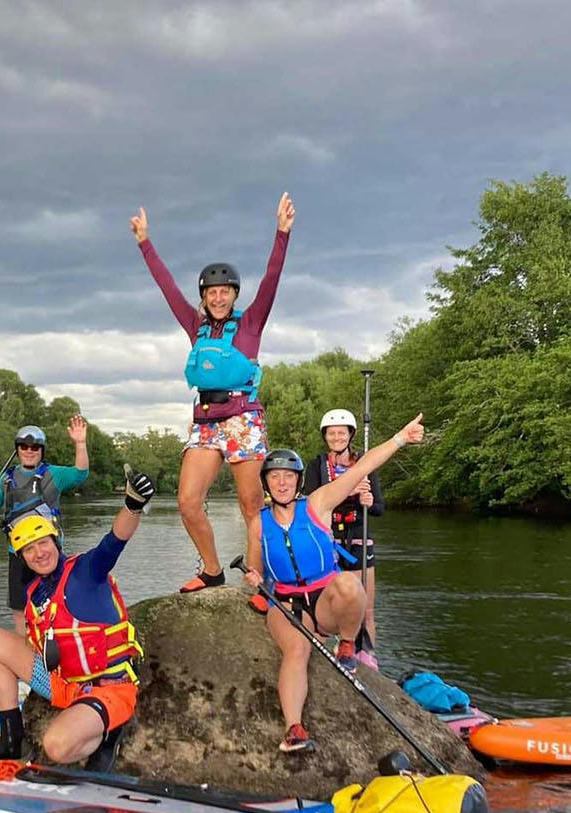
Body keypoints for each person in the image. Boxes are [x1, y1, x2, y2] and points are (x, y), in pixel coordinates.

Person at [131, 193, 294, 594]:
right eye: (211, 292)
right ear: (203, 297)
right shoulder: (195, 325)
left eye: (225, 291)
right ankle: (212, 570)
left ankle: (258, 578)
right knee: (187, 501)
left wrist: (282, 234)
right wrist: (145, 243)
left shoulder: (251, 322)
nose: (218, 298)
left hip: (243, 419)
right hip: (206, 420)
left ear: (235, 294)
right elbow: (167, 288)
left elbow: (272, 279)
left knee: (251, 504)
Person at [243, 414, 425, 752]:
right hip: (287, 602)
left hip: (325, 598)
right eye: (274, 477)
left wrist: (400, 439)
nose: (281, 483)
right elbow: (255, 568)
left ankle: (347, 643)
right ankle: (293, 730)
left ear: (298, 481)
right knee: (297, 650)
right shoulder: (258, 523)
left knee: (351, 585)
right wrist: (253, 577)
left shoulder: (317, 504)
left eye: (288, 476)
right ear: (266, 483)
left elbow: (362, 467)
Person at [0, 467, 157, 769]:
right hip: (64, 684)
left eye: (43, 543)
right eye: (28, 550)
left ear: (56, 541)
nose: (39, 553)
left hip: (108, 688)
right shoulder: (34, 592)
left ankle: (109, 732)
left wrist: (133, 505)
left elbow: (114, 541)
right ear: (22, 558)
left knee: (56, 746)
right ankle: (11, 737)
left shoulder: (87, 571)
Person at [0, 417, 90, 633]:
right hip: (18, 553)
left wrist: (80, 443)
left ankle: (55, 643)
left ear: (41, 450)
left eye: (35, 447)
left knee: (54, 602)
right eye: (24, 446)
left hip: (47, 551)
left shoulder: (54, 474)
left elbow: (81, 473)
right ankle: (25, 646)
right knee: (20, 608)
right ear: (17, 450)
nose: (29, 451)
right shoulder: (5, 480)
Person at [305, 408, 385, 669]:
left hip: (359, 540)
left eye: (341, 433)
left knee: (366, 609)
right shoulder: (317, 466)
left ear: (350, 435)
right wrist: (349, 491)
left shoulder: (364, 465)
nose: (337, 438)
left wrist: (368, 501)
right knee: (325, 605)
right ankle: (320, 655)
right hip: (328, 543)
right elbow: (310, 502)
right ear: (325, 436)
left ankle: (367, 660)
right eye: (332, 433)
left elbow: (379, 508)